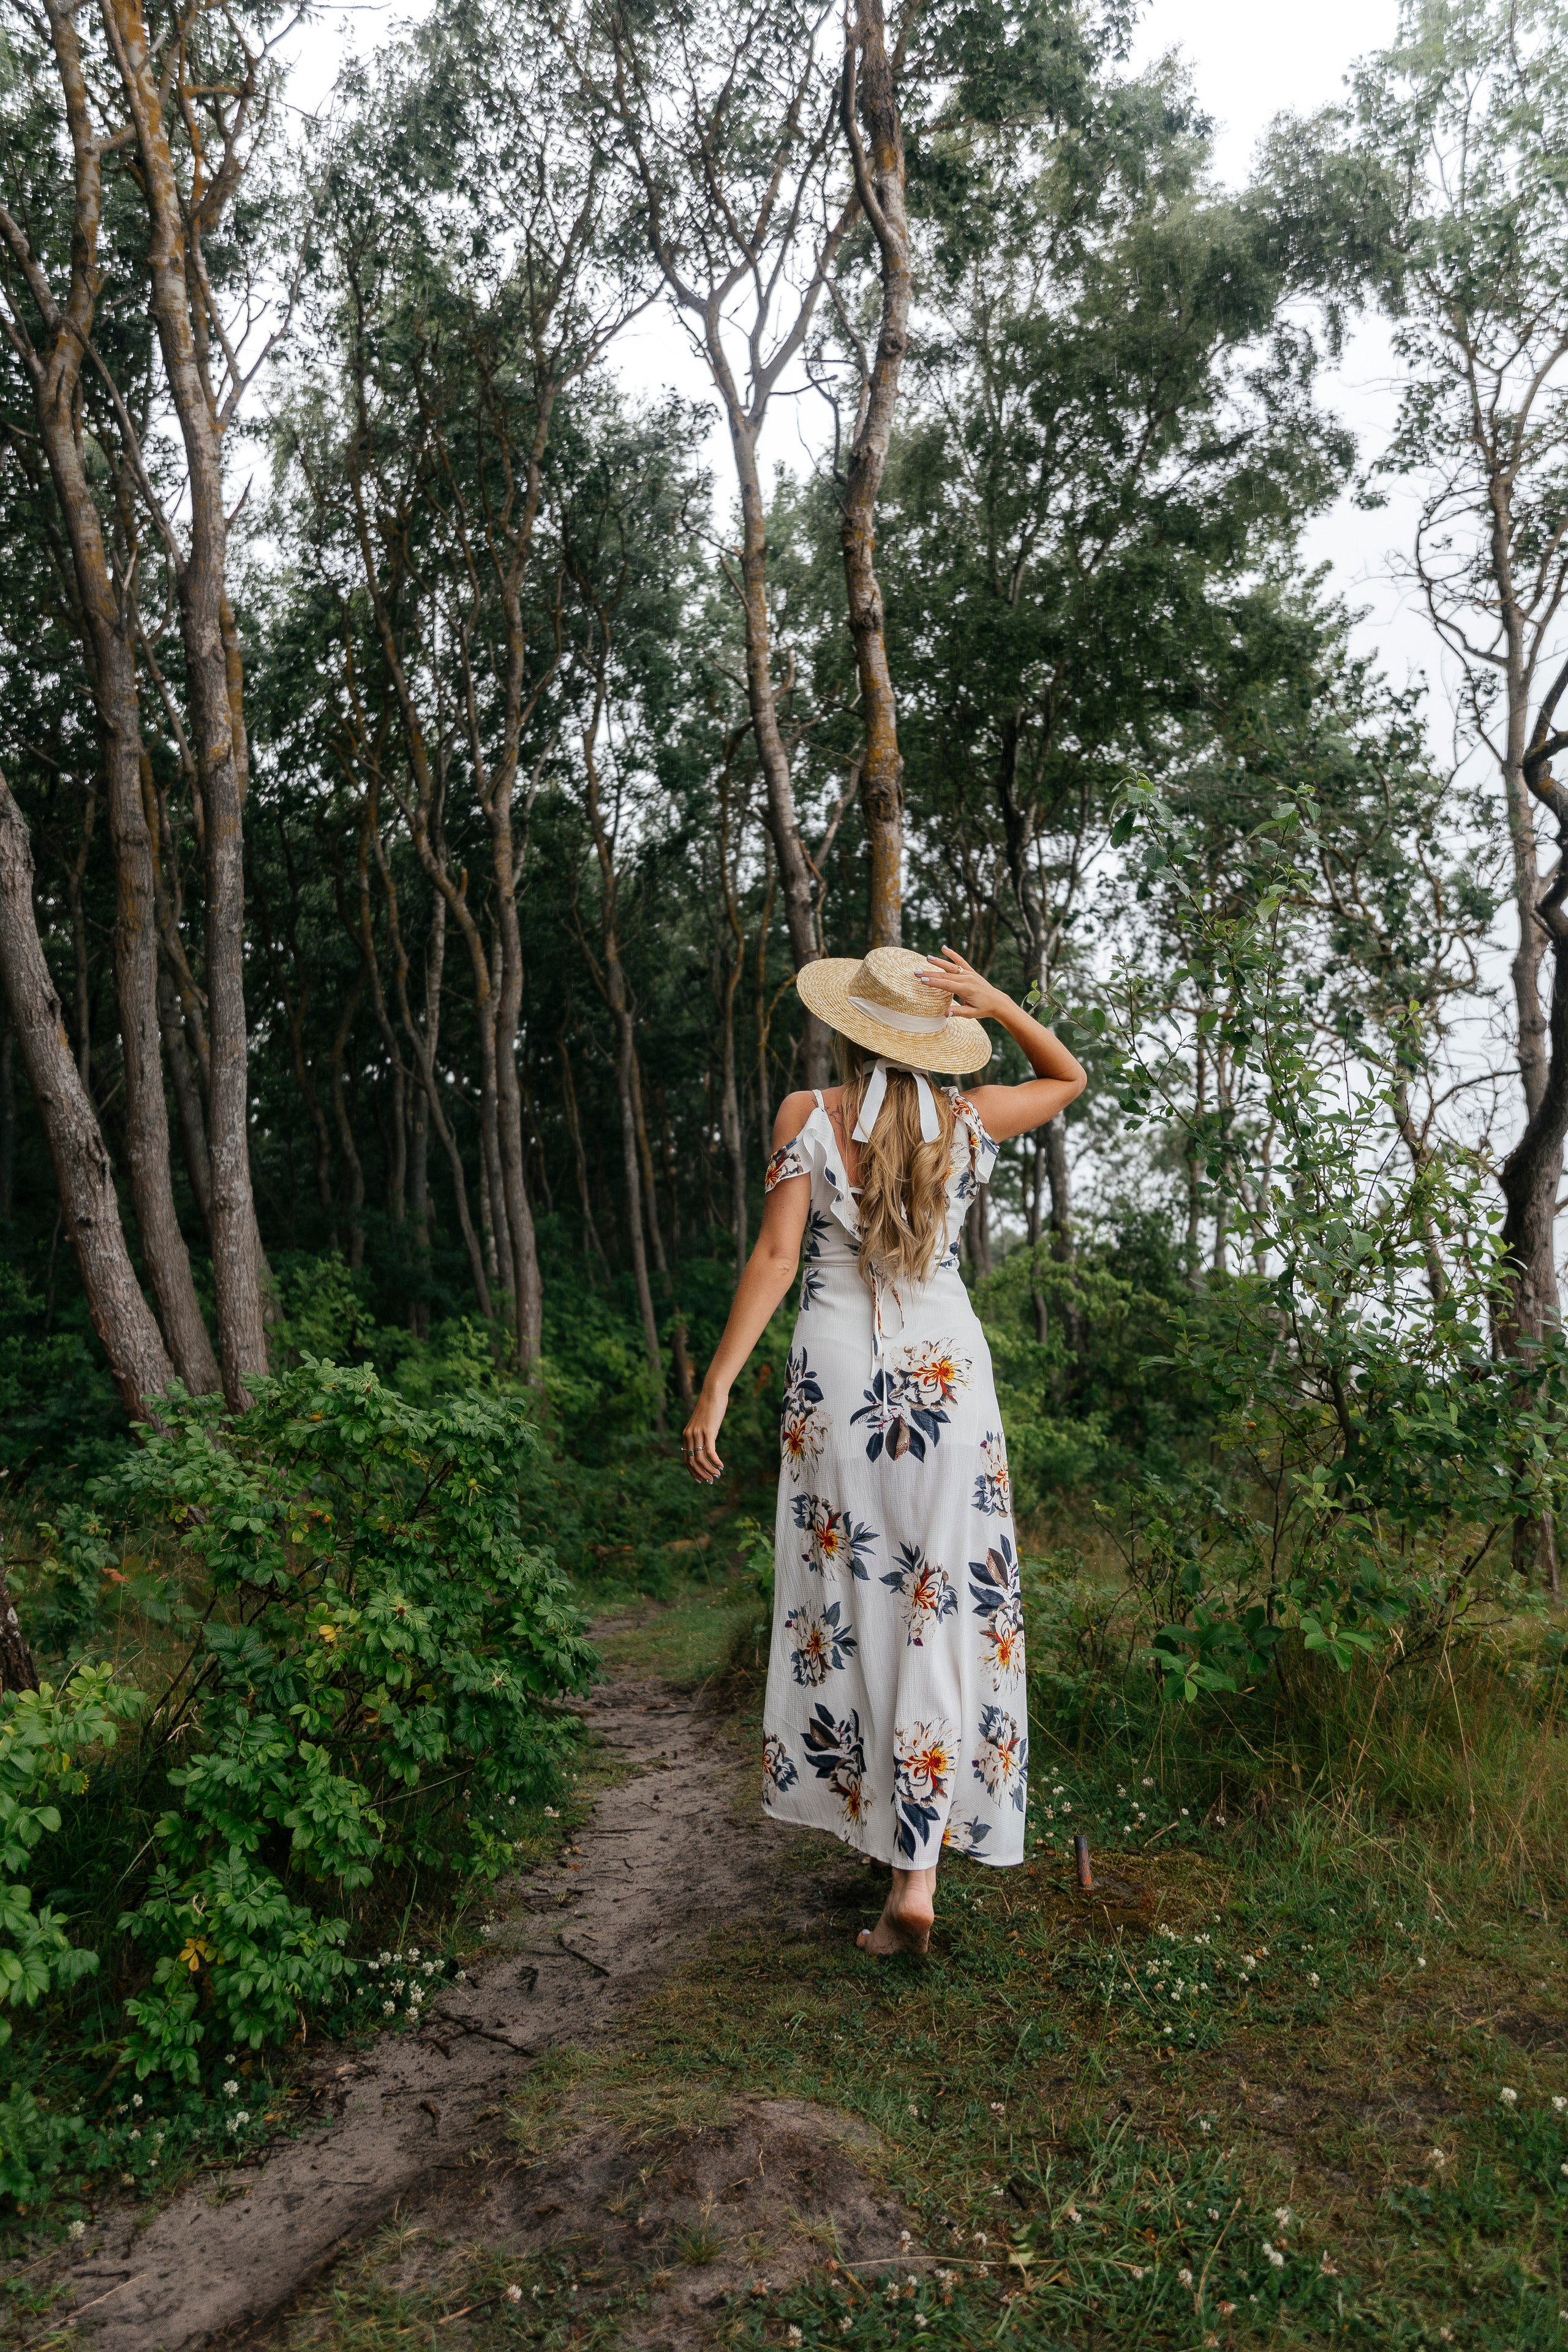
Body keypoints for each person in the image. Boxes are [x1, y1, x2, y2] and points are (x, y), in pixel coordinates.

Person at [682, 943, 1087, 1954]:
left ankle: (884, 1838)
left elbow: (779, 1256)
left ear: (853, 1030)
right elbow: (1067, 1077)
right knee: (942, 1604)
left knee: (855, 1603)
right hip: (949, 1384)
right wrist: (996, 1000)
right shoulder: (968, 1118)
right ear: (938, 1039)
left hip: (839, 1383)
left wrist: (719, 1379)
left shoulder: (806, 1117)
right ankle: (915, 1874)